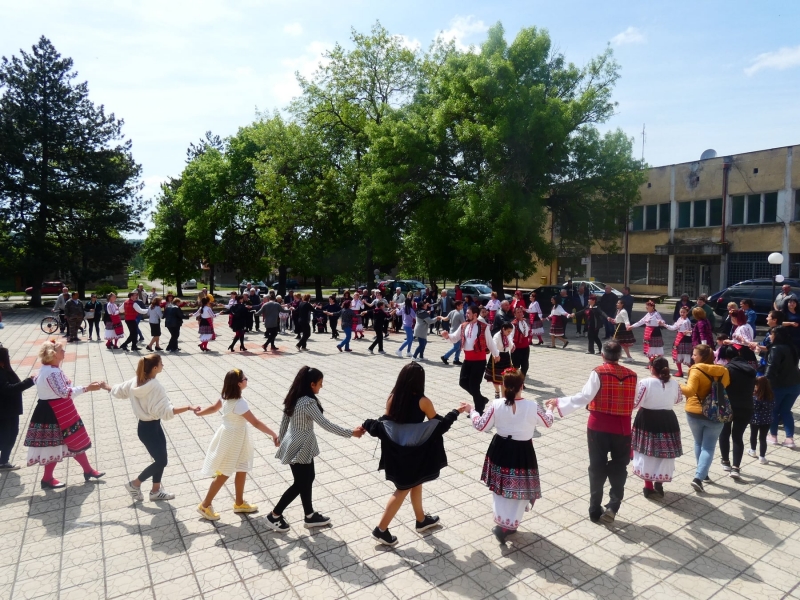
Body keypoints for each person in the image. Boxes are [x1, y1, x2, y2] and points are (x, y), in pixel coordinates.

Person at [362, 363, 464, 546]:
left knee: (416, 483)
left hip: (397, 452)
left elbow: (385, 423)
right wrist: (456, 412)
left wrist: (366, 425)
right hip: (415, 452)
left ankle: (421, 520)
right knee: (402, 490)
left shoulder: (392, 397)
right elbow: (439, 425)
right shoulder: (423, 401)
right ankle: (381, 529)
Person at [546, 341, 637, 523]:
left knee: (596, 466)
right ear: (620, 355)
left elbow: (585, 396)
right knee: (620, 466)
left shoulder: (598, 372)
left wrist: (559, 402)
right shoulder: (632, 375)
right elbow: (634, 400)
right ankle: (613, 505)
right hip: (622, 428)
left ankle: (595, 508)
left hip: (599, 426)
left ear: (602, 355)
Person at [266, 367, 364, 532]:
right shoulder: (308, 402)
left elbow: (284, 420)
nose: (321, 386)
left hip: (294, 442)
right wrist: (351, 433)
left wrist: (281, 439)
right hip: (301, 445)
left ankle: (309, 515)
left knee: (307, 478)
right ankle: (274, 515)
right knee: (300, 483)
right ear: (312, 384)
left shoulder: (294, 396)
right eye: (320, 383)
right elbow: (325, 424)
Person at [469, 368, 554, 542]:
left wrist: (472, 411)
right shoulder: (532, 406)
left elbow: (481, 426)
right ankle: (510, 524)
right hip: (523, 451)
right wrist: (551, 408)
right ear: (522, 386)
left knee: (500, 487)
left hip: (501, 449)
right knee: (520, 487)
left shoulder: (496, 405)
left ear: (504, 385)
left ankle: (503, 524)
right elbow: (548, 422)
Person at [111, 354, 200, 501]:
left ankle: (155, 491)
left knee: (161, 459)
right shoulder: (155, 387)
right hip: (151, 429)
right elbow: (167, 411)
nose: (163, 365)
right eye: (161, 363)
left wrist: (105, 386)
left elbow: (118, 390)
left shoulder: (135, 381)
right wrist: (189, 407)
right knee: (161, 461)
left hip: (146, 428)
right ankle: (135, 484)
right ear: (154, 368)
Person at [196, 369, 279, 520]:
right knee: (224, 473)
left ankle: (239, 503)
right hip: (233, 440)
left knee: (242, 468)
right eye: (245, 378)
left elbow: (214, 408)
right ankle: (205, 505)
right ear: (239, 384)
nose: (247, 380)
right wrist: (273, 434)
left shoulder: (225, 396)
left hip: (235, 437)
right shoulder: (240, 403)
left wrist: (200, 413)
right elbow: (255, 422)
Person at [23, 339, 107, 489]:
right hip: (55, 413)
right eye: (61, 350)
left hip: (56, 410)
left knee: (71, 441)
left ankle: (88, 470)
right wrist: (87, 388)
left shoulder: (46, 369)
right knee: (55, 445)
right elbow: (65, 393)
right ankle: (47, 478)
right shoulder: (52, 372)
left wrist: (84, 388)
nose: (64, 352)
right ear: (53, 354)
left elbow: (64, 392)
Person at [680, 344, 730, 493]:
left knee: (698, 443)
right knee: (708, 446)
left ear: (702, 357)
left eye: (695, 354)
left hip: (695, 411)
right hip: (717, 412)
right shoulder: (723, 370)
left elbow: (690, 391)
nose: (692, 357)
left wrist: (676, 385)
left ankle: (701, 475)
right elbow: (725, 385)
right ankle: (700, 476)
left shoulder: (695, 370)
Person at [631, 357, 683, 499]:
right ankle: (659, 483)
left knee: (646, 452)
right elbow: (678, 399)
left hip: (647, 419)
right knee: (665, 453)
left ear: (651, 368)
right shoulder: (674, 383)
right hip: (668, 419)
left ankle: (648, 486)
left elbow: (636, 403)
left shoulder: (645, 383)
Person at [442, 305, 500, 415]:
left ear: (475, 315)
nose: (466, 315)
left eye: (468, 313)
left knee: (474, 385)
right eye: (466, 313)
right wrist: (447, 336)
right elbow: (455, 337)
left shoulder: (483, 327)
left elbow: (490, 342)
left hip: (479, 360)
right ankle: (481, 399)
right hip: (468, 359)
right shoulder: (464, 325)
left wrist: (496, 354)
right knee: (463, 382)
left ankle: (479, 410)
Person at [717, 346, 757, 479]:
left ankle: (725, 461)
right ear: (738, 353)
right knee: (738, 437)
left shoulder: (727, 369)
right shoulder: (751, 369)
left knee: (725, 433)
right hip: (746, 406)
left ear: (726, 358)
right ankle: (736, 468)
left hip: (729, 406)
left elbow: (721, 388)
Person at [0, 346, 35, 470]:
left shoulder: (3, 369)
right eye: (7, 356)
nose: (9, 358)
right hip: (5, 411)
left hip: (8, 410)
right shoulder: (1, 372)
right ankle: (3, 462)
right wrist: (29, 381)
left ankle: (3, 461)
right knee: (8, 436)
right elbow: (8, 389)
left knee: (9, 435)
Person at [765, 326, 800, 448]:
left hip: (779, 385)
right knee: (786, 411)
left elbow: (772, 366)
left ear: (777, 336)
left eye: (772, 334)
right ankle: (790, 439)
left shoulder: (775, 349)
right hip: (795, 384)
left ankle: (773, 436)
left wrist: (765, 382)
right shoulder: (792, 347)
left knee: (773, 410)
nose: (770, 336)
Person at [748, 376, 774, 464]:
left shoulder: (755, 396)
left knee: (753, 435)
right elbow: (773, 405)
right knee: (763, 438)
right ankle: (762, 457)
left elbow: (753, 407)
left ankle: (753, 450)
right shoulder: (771, 395)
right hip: (767, 420)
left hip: (755, 419)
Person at [485, 323, 515, 399]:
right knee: (496, 377)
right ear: (503, 329)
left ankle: (503, 396)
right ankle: (497, 391)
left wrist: (512, 345)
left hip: (506, 356)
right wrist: (496, 355)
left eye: (510, 331)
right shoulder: (497, 336)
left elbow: (510, 342)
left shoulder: (507, 335)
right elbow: (493, 346)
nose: (509, 333)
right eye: (508, 331)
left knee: (505, 377)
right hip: (498, 356)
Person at [661, 306, 693, 377]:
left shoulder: (687, 321)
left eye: (684, 312)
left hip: (685, 340)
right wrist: (664, 325)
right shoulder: (679, 319)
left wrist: (687, 333)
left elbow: (689, 332)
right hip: (678, 339)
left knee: (686, 358)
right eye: (681, 312)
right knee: (677, 356)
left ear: (687, 313)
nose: (682, 313)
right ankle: (680, 372)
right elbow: (673, 327)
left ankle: (694, 372)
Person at [439, 300, 465, 365]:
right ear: (457, 306)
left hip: (452, 331)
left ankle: (456, 359)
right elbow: (464, 324)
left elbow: (446, 319)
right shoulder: (460, 314)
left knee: (459, 346)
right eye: (461, 305)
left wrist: (440, 317)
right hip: (457, 333)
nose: (462, 306)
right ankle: (445, 357)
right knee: (457, 347)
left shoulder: (452, 312)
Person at [510, 306, 533, 380]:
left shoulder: (524, 322)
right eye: (518, 312)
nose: (520, 313)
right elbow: (510, 337)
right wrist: (511, 346)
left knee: (525, 366)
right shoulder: (513, 324)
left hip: (525, 347)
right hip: (517, 348)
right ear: (515, 314)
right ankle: (516, 381)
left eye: (521, 312)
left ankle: (521, 380)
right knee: (516, 366)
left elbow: (526, 333)